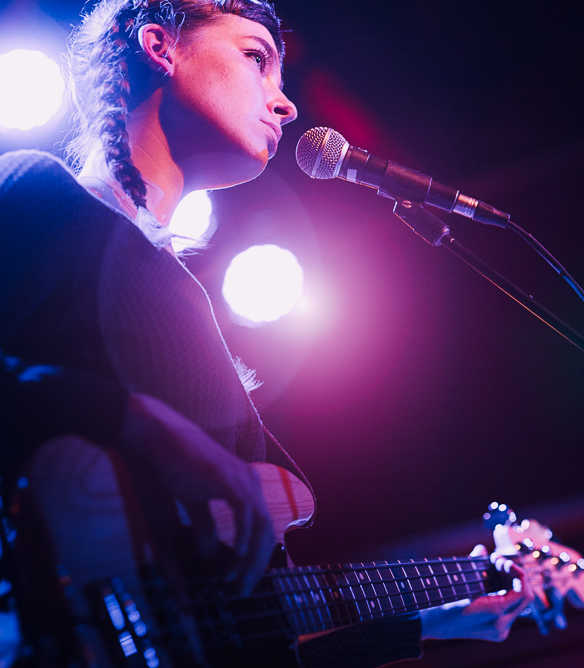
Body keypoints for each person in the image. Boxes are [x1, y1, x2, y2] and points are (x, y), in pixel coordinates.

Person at [0, 0, 536, 665]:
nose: (285, 105)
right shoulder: (36, 190)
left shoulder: (193, 307)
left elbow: (249, 621)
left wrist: (433, 619)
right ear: (159, 46)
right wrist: (136, 422)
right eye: (257, 58)